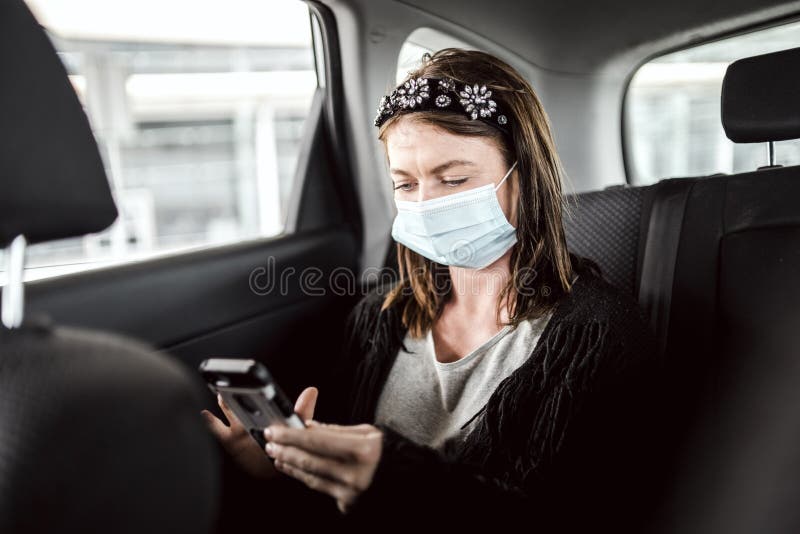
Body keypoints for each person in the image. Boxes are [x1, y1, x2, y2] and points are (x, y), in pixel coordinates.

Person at [202, 48, 660, 532]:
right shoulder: (379, 318)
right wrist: (280, 471)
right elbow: (334, 493)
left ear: (523, 176)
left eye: (454, 178)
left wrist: (393, 479)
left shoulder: (597, 338)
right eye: (405, 184)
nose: (426, 205)